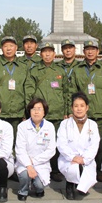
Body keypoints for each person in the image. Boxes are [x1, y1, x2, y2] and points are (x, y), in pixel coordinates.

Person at [24, 41, 68, 182]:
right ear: (40, 54)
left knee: (54, 143)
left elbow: (67, 92)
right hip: (39, 115)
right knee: (38, 143)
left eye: (50, 52)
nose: (47, 54)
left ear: (54, 54)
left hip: (57, 113)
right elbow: (29, 93)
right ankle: (36, 166)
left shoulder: (60, 71)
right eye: (44, 52)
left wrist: (67, 111)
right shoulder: (34, 70)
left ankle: (55, 170)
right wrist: (29, 112)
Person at [73, 40, 102, 182]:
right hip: (82, 115)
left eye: (93, 49)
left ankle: (98, 170)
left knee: (100, 143)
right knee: (81, 143)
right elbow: (72, 92)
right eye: (87, 49)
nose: (90, 52)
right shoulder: (77, 69)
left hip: (100, 113)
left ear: (98, 52)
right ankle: (83, 168)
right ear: (83, 51)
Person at [57, 92, 100, 200]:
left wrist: (84, 158)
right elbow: (61, 144)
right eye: (76, 106)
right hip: (69, 159)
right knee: (73, 169)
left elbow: (94, 145)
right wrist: (73, 157)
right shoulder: (65, 124)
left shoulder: (92, 125)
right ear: (72, 108)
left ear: (87, 108)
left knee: (85, 169)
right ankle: (69, 185)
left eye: (82, 106)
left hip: (86, 158)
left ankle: (81, 185)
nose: (79, 109)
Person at [0, 36, 28, 131]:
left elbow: (28, 90)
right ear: (1, 48)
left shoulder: (23, 67)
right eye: (5, 46)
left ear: (16, 48)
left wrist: (26, 112)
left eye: (11, 45)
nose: (8, 49)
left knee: (16, 143)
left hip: (18, 113)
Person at [15, 98, 56, 200]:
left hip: (41, 163)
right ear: (29, 111)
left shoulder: (49, 126)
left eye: (39, 109)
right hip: (25, 162)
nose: (36, 112)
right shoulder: (22, 126)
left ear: (44, 112)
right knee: (25, 175)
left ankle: (37, 186)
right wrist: (29, 165)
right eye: (33, 109)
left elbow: (51, 150)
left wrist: (34, 161)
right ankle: (23, 191)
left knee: (40, 186)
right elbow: (20, 149)